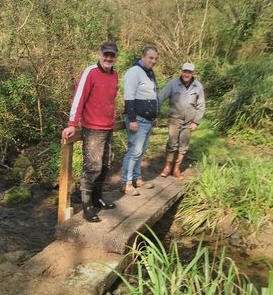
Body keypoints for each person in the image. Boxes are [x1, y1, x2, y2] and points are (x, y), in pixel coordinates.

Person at [62, 42, 119, 223]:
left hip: (108, 127)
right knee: (92, 167)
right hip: (92, 128)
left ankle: (97, 198)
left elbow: (110, 100)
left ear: (116, 56)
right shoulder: (90, 72)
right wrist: (72, 124)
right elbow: (78, 98)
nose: (109, 58)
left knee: (105, 165)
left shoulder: (115, 75)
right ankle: (86, 206)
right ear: (100, 54)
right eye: (106, 54)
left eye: (112, 55)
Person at [121, 46, 159, 196]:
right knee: (134, 151)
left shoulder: (149, 73)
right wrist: (132, 119)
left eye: (155, 58)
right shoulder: (134, 72)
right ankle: (126, 183)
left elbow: (152, 95)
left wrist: (154, 116)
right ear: (142, 57)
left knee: (140, 151)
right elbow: (129, 96)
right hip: (138, 119)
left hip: (148, 120)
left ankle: (137, 178)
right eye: (151, 58)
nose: (153, 61)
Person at [158, 62, 205, 179]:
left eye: (189, 72)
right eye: (184, 71)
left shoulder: (198, 86)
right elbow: (160, 97)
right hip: (174, 119)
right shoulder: (173, 83)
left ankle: (176, 168)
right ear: (182, 71)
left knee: (183, 146)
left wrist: (196, 122)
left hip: (189, 121)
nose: (186, 74)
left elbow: (201, 105)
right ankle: (168, 166)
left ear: (193, 73)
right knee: (172, 143)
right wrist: (154, 113)